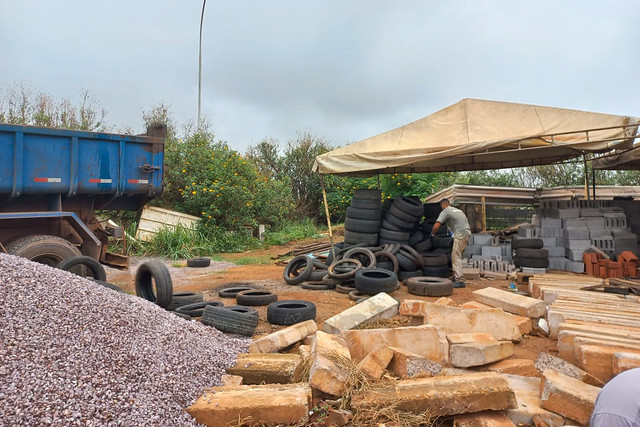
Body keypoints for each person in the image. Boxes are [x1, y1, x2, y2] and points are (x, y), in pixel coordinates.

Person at [430, 198, 471, 288]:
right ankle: (456, 275)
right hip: (466, 233)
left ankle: (459, 280)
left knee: (456, 256)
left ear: (443, 205)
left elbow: (437, 225)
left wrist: (432, 234)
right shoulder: (457, 210)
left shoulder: (446, 211)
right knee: (456, 254)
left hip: (460, 234)